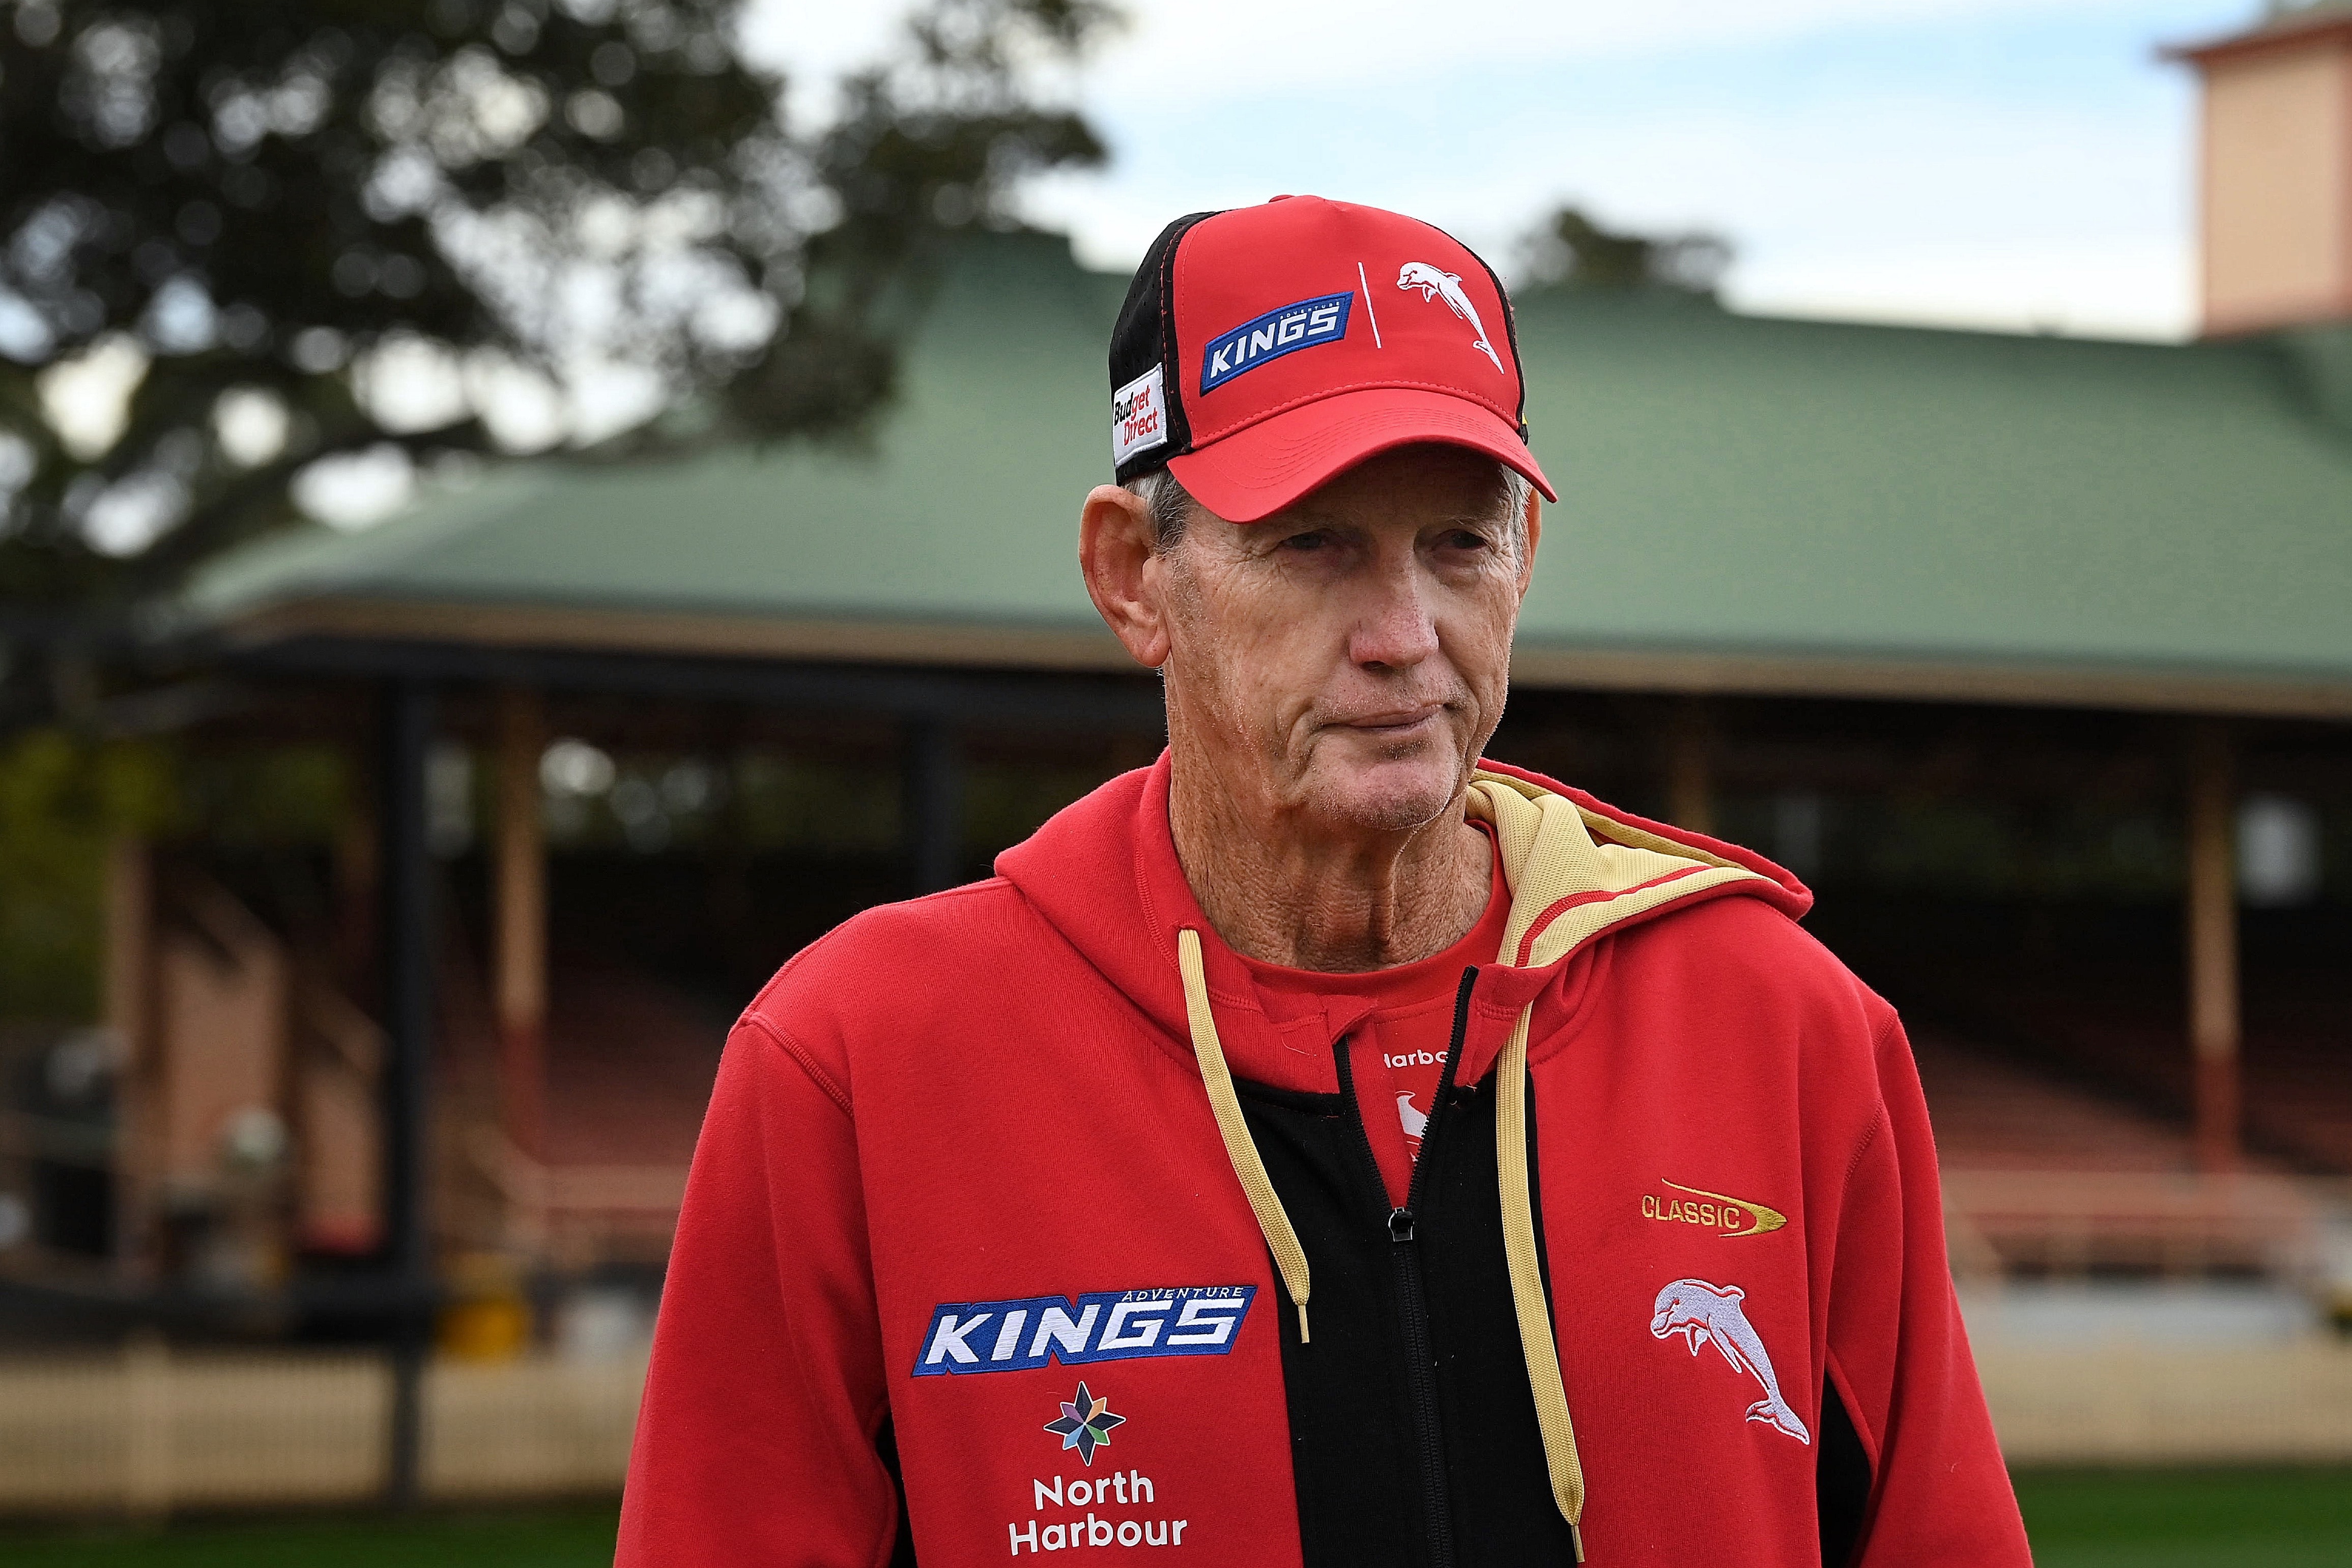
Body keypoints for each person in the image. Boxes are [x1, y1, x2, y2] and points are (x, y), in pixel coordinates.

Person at [618, 196, 2031, 1566]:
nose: (1405, 634)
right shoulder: (859, 1058)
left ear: (1524, 561)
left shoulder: (1784, 1026)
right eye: (1314, 544)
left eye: (1458, 542)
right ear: (1133, 579)